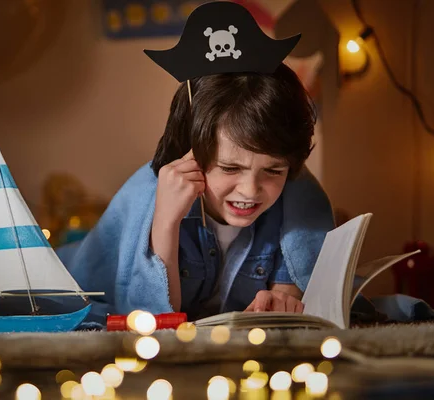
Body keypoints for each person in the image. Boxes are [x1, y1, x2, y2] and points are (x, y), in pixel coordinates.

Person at [51, 2, 334, 324]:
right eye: (230, 168)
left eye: (273, 170)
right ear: (191, 151)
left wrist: (281, 304)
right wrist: (166, 222)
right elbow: (150, 318)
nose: (250, 189)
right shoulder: (148, 193)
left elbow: (289, 301)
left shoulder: (299, 199)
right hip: (58, 279)